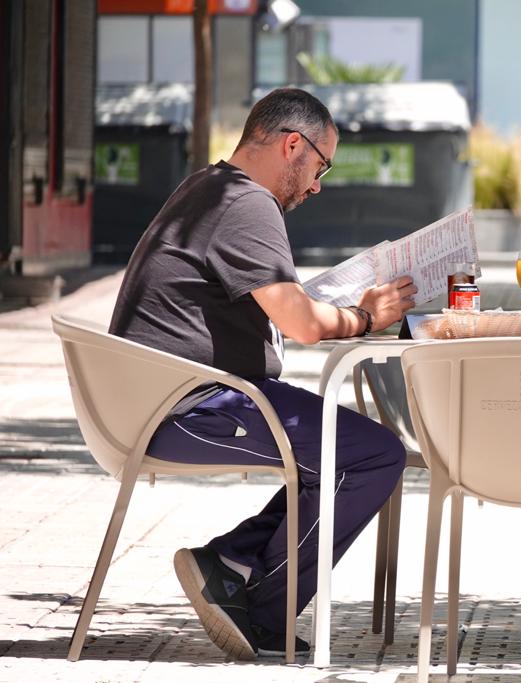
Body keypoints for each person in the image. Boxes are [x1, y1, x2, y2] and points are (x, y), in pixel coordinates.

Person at [108, 88, 418, 660]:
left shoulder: (210, 186)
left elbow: (280, 302)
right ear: (292, 144)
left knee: (342, 454)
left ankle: (229, 563)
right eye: (321, 165)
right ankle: (261, 610)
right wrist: (368, 315)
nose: (317, 185)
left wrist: (335, 307)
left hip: (171, 398)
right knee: (373, 455)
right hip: (185, 408)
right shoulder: (247, 203)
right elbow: (299, 322)